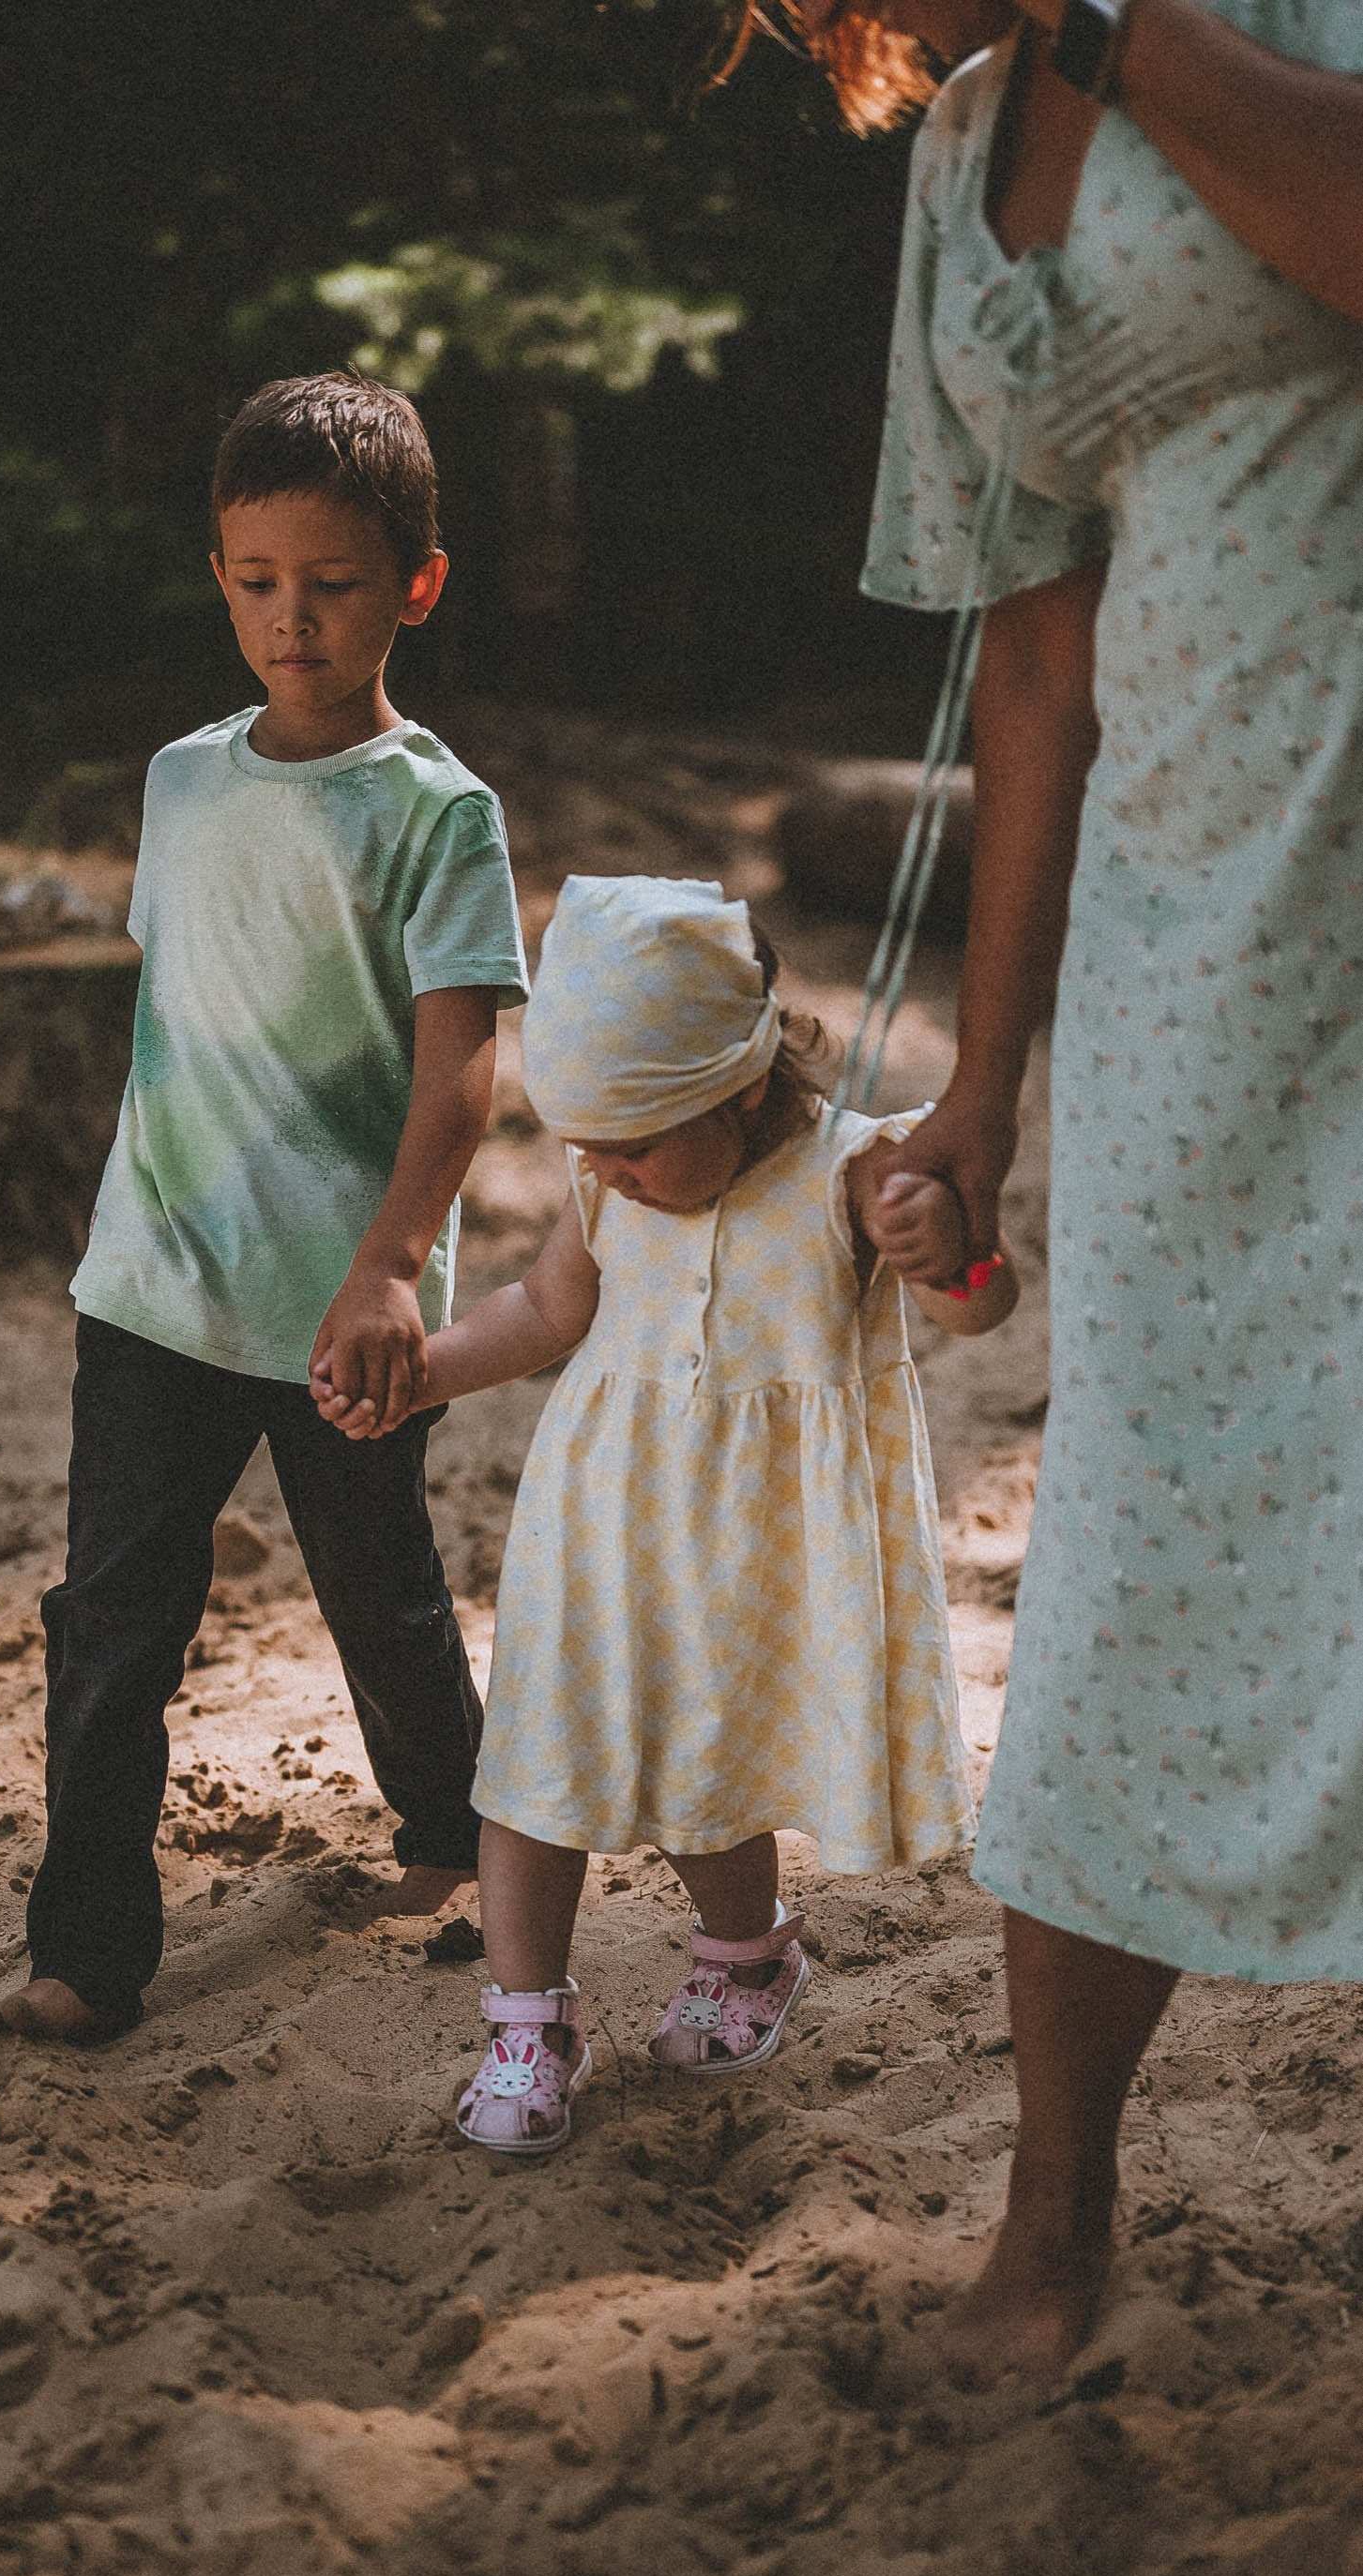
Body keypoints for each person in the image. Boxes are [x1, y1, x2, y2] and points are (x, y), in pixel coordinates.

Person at [761, 0, 1363, 2376]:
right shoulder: (961, 162)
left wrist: (1113, 22)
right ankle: (1053, 2224)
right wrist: (974, 1089)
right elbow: (1032, 653)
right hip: (1188, 942)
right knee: (1135, 1530)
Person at [316, 875, 1017, 2151]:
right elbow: (545, 1311)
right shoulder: (607, 1183)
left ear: (743, 1085)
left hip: (758, 1545)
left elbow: (973, 1306)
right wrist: (427, 1372)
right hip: (600, 1519)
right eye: (588, 1144)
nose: (607, 1171)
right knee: (528, 1764)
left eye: (633, 1142)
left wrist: (948, 1247)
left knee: (716, 1761)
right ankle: (526, 2020)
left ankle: (745, 1954)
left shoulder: (850, 1172)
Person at [4, 372, 529, 2044]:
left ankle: (449, 1834)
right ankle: (86, 1951)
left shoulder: (439, 814)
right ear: (217, 573)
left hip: (340, 1306)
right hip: (153, 1286)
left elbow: (460, 1071)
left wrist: (387, 1269)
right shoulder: (178, 781)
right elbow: (184, 1013)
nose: (290, 621)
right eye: (255, 583)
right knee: (110, 1622)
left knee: (375, 1589)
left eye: (333, 585)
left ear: (416, 587)